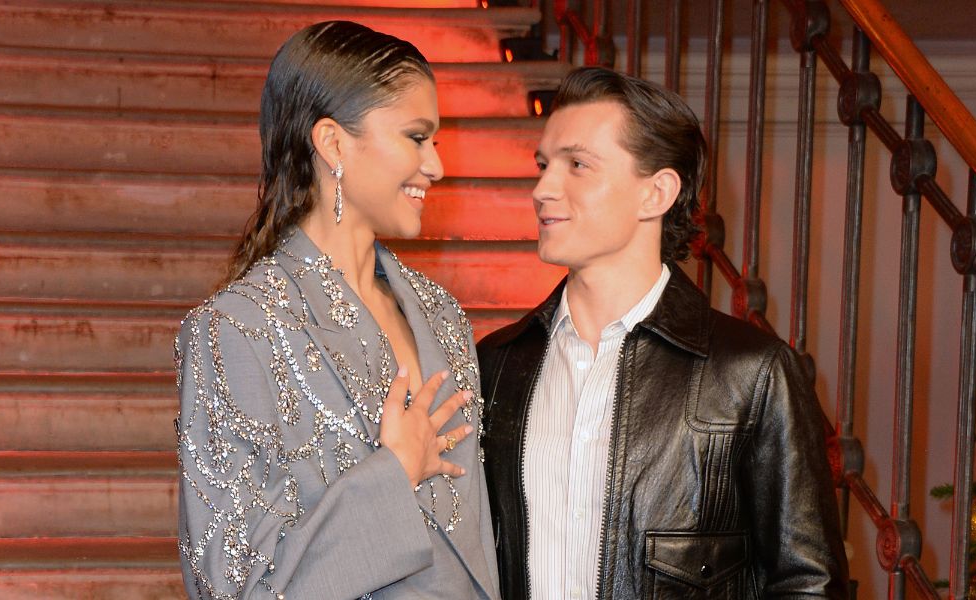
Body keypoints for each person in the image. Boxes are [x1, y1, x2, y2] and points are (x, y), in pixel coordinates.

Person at [478, 67, 848, 599]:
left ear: (656, 193)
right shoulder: (496, 363)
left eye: (577, 165)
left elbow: (809, 582)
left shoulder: (751, 372)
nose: (542, 189)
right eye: (543, 165)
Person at [175, 21, 499, 600]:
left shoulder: (441, 313)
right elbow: (231, 583)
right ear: (332, 143)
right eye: (416, 137)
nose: (435, 166)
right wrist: (393, 474)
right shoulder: (239, 329)